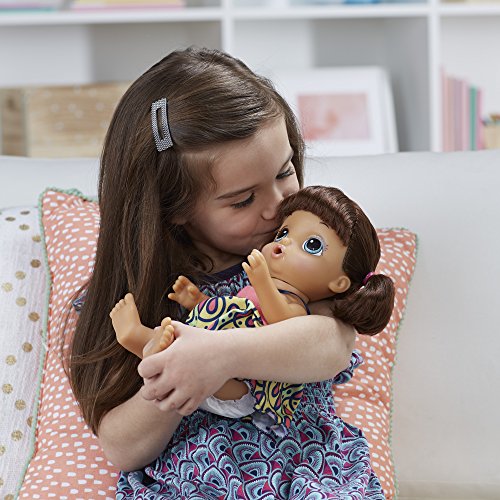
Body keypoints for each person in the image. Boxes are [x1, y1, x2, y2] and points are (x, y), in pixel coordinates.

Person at [68, 46, 385, 498]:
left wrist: (222, 353)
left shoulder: (298, 263)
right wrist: (177, 374)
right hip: (197, 482)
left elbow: (332, 346)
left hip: (305, 474)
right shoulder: (145, 295)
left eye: (285, 171)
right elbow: (121, 447)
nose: (277, 205)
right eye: (243, 200)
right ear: (174, 207)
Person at [109, 185, 395, 436]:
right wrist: (197, 301)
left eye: (312, 245)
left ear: (339, 283)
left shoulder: (298, 306)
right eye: (284, 233)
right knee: (178, 340)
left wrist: (262, 282)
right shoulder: (253, 288)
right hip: (201, 377)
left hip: (248, 392)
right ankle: (152, 347)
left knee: (206, 367)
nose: (283, 243)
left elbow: (284, 325)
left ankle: (143, 342)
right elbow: (229, 312)